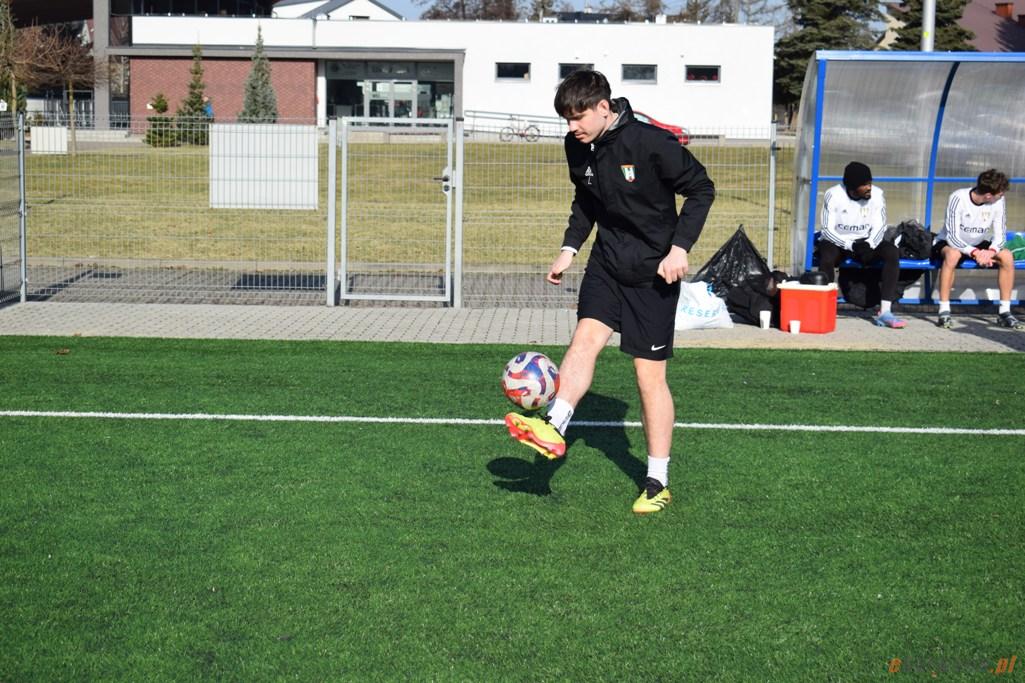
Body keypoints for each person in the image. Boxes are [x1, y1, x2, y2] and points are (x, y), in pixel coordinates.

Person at [503, 70, 715, 514]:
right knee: (585, 338)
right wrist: (569, 248)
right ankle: (554, 425)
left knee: (648, 377)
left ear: (604, 108)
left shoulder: (651, 143)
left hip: (654, 274)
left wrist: (679, 248)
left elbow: (701, 189)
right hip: (606, 264)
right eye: (566, 119)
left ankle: (657, 480)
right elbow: (587, 199)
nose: (571, 127)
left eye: (578, 117)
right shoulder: (576, 145)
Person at [817, 161, 906, 328]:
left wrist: (869, 244)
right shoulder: (833, 194)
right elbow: (827, 230)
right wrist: (850, 245)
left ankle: (885, 312)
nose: (869, 187)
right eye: (864, 184)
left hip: (866, 242)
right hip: (840, 242)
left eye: (870, 183)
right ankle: (826, 309)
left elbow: (880, 226)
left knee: (892, 253)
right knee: (827, 257)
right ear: (852, 187)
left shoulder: (877, 194)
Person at [933, 169, 1022, 330]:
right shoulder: (958, 198)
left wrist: (991, 251)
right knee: (952, 255)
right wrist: (975, 253)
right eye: (1000, 194)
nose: (1002, 196)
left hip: (979, 245)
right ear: (988, 196)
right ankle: (944, 311)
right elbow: (952, 237)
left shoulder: (999, 201)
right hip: (950, 242)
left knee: (1007, 256)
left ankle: (1004, 312)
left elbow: (1000, 235)